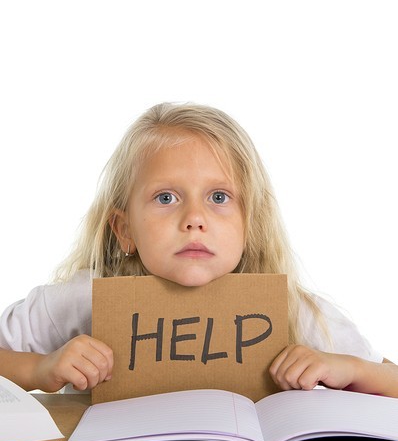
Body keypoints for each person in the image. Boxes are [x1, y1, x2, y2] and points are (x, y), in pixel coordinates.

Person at [0, 102, 397, 396]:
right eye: (167, 198)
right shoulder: (82, 299)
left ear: (249, 222)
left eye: (219, 197)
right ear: (125, 229)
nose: (194, 218)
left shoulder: (291, 310)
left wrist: (348, 369)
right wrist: (40, 369)